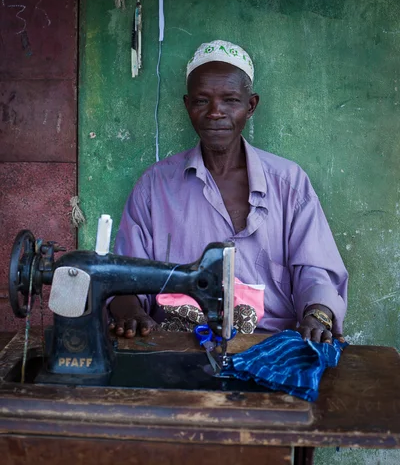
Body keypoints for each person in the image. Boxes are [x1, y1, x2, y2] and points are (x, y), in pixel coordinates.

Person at [110, 40, 348, 344]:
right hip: (177, 344)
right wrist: (130, 311)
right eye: (201, 102)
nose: (215, 113)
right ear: (187, 106)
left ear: (250, 106)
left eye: (230, 100)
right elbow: (126, 275)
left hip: (269, 346)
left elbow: (315, 271)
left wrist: (317, 315)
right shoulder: (154, 187)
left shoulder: (288, 183)